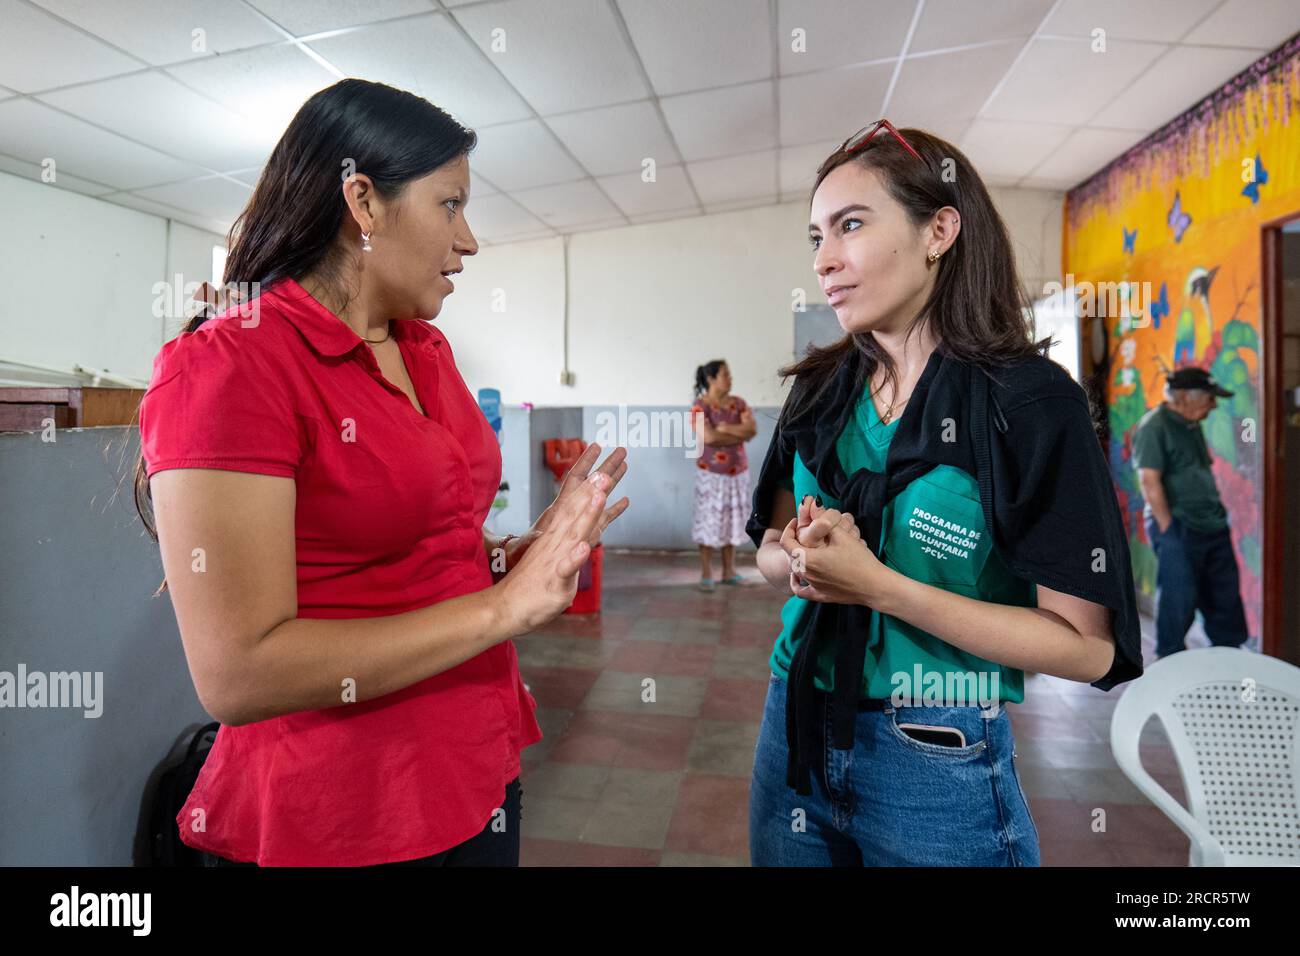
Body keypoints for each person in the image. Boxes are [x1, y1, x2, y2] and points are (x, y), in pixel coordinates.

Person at [133, 79, 630, 867]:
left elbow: (430, 543)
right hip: (348, 813)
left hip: (478, 763)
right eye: (449, 205)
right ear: (363, 202)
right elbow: (239, 673)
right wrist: (503, 609)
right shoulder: (232, 368)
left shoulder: (425, 350)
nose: (469, 241)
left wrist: (514, 555)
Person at [746, 121, 1143, 866]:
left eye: (851, 226)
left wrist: (880, 588)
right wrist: (797, 566)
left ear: (940, 230)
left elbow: (1086, 649)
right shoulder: (818, 390)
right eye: (815, 238)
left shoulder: (1027, 404)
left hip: (935, 749)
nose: (825, 261)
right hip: (791, 728)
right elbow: (768, 548)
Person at [1133, 366, 1250, 657]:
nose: (1214, 405)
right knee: (1179, 599)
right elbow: (1149, 480)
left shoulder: (1191, 424)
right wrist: (1168, 529)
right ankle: (1170, 663)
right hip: (1179, 526)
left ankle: (1229, 659)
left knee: (1224, 599)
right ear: (1184, 396)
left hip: (1213, 525)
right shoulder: (1154, 426)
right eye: (1210, 398)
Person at [689, 360, 757, 591]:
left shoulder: (738, 404)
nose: (730, 379)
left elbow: (752, 430)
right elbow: (708, 438)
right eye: (725, 375)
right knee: (708, 519)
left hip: (737, 474)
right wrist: (736, 434)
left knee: (733, 520)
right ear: (711, 379)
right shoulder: (699, 406)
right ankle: (706, 573)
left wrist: (725, 430)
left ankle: (729, 571)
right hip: (711, 475)